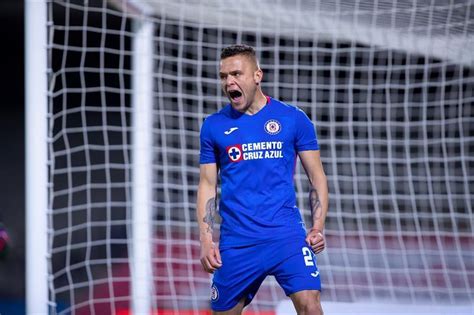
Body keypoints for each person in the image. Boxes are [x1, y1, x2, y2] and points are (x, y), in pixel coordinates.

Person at [197, 44, 328, 315]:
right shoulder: (214, 126)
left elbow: (317, 177)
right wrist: (206, 241)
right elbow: (208, 185)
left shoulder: (293, 119)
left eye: (236, 73)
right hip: (238, 241)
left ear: (258, 75)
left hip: (286, 235)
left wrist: (317, 226)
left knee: (311, 306)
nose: (229, 82)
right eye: (223, 76)